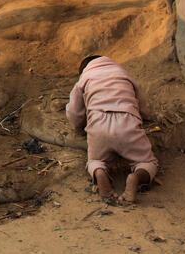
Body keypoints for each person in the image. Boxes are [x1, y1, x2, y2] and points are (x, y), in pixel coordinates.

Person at [66, 55, 158, 204]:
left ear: (84, 70)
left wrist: (78, 128)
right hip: (127, 122)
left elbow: (74, 112)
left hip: (98, 124)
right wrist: (146, 116)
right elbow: (142, 102)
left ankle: (99, 172)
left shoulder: (84, 79)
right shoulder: (123, 74)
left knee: (95, 160)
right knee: (147, 162)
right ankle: (137, 177)